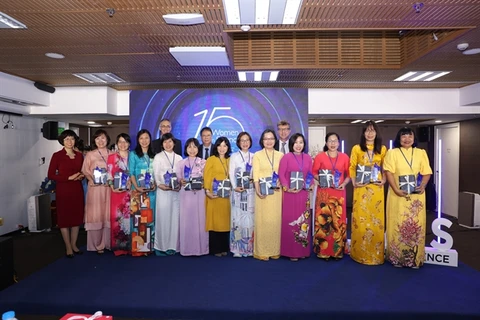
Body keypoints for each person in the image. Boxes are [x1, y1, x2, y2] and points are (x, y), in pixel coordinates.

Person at [384, 127, 432, 269]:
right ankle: (396, 258)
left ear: (413, 138)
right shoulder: (392, 153)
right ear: (399, 139)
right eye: (403, 136)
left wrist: (423, 185)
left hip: (416, 196)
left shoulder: (420, 153)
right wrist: (396, 189)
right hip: (397, 194)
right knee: (397, 224)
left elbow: (427, 172)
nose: (406, 139)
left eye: (409, 136)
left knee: (415, 224)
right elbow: (388, 172)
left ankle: (415, 258)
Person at [349, 121, 387, 265]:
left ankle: (376, 255)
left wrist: (384, 179)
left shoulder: (382, 149)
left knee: (376, 222)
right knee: (360, 220)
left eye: (373, 131)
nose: (370, 134)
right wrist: (353, 182)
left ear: (376, 133)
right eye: (367, 131)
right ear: (363, 133)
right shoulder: (357, 148)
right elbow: (352, 167)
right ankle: (359, 254)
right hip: (361, 188)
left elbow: (386, 167)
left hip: (377, 189)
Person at [312, 132, 351, 261]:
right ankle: (323, 250)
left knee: (337, 221)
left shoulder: (345, 157)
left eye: (335, 141)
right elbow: (314, 173)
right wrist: (322, 180)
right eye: (330, 141)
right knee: (324, 221)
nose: (332, 143)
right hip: (324, 192)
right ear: (326, 143)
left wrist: (344, 184)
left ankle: (337, 250)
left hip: (339, 193)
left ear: (339, 143)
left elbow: (349, 175)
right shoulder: (320, 157)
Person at [47, 130, 85, 258]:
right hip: (63, 189)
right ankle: (68, 246)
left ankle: (74, 244)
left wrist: (81, 176)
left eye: (72, 139)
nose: (70, 142)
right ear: (62, 141)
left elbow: (81, 171)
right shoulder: (57, 155)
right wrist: (68, 178)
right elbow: (51, 175)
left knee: (76, 219)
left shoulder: (79, 155)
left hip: (77, 189)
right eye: (67, 139)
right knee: (64, 219)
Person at [278, 133, 313, 261]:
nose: (298, 145)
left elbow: (311, 175)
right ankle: (291, 252)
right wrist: (287, 188)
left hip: (303, 194)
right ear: (291, 144)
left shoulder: (308, 158)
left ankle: (302, 250)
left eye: (301, 142)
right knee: (291, 221)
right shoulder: (286, 157)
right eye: (296, 142)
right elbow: (281, 175)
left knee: (304, 222)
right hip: (290, 195)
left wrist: (310, 185)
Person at [252, 129, 284, 261]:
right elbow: (256, 174)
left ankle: (275, 250)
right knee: (263, 220)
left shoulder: (281, 155)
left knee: (275, 221)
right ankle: (262, 251)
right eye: (266, 139)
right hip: (263, 192)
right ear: (262, 141)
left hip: (276, 192)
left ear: (275, 140)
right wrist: (258, 189)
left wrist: (281, 181)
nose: (269, 141)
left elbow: (283, 172)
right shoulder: (257, 155)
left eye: (271, 138)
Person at [176, 138, 209, 256]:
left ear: (198, 148)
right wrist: (181, 181)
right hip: (186, 195)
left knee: (200, 220)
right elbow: (178, 178)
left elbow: (207, 178)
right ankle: (187, 248)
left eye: (194, 147)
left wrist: (202, 182)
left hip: (199, 195)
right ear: (186, 149)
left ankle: (201, 249)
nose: (192, 149)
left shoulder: (204, 162)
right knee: (187, 220)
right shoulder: (181, 163)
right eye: (189, 147)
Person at [82, 129, 112, 254]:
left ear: (107, 139)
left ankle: (108, 243)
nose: (100, 141)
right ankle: (96, 245)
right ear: (94, 140)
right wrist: (91, 180)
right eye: (97, 138)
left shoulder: (113, 154)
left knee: (108, 214)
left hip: (109, 189)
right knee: (96, 214)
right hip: (95, 189)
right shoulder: (90, 154)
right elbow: (85, 170)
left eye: (103, 138)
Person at [153, 133, 182, 256]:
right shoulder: (158, 157)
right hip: (163, 192)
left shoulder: (179, 158)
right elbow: (156, 174)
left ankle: (173, 245)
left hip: (176, 193)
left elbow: (181, 176)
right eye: (165, 142)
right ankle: (161, 246)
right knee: (163, 219)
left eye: (170, 142)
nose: (168, 144)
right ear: (162, 144)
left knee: (175, 219)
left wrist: (179, 185)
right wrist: (160, 184)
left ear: (174, 143)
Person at [129, 129, 157, 256]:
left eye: (146, 138)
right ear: (138, 140)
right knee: (138, 219)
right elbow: (131, 173)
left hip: (151, 193)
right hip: (138, 192)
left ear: (150, 140)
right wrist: (136, 187)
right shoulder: (133, 154)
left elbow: (157, 173)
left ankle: (149, 246)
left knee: (150, 218)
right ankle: (139, 248)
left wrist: (155, 184)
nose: (144, 141)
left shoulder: (154, 154)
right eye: (141, 138)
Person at [228, 132, 255, 257]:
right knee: (237, 219)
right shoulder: (234, 156)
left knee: (249, 219)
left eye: (247, 140)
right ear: (238, 142)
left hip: (250, 193)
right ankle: (237, 248)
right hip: (238, 193)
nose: (245, 143)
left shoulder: (254, 156)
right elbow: (231, 173)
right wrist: (235, 187)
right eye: (242, 140)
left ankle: (249, 248)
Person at [204, 137, 232, 256]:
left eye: (225, 146)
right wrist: (207, 191)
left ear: (228, 147)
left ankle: (224, 247)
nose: (222, 148)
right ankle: (215, 249)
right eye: (220, 145)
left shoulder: (230, 160)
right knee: (214, 221)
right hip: (214, 195)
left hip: (226, 196)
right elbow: (207, 176)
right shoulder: (211, 159)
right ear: (216, 147)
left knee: (225, 221)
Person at [107, 133, 131, 256]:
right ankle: (119, 247)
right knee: (117, 218)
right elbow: (109, 174)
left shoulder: (133, 157)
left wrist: (131, 182)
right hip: (116, 193)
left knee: (130, 218)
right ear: (117, 144)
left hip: (130, 193)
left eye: (125, 142)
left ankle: (130, 246)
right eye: (120, 142)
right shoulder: (112, 157)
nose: (123, 144)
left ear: (129, 144)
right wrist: (112, 187)